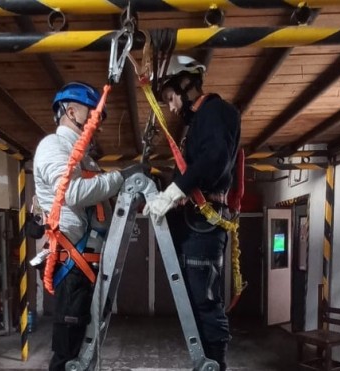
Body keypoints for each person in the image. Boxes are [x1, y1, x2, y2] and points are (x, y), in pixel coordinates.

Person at [33, 81, 145, 371]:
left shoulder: (85, 158)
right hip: (73, 265)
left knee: (85, 350)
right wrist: (121, 178)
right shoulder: (53, 147)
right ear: (70, 111)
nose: (98, 123)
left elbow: (99, 198)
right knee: (69, 353)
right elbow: (73, 193)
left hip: (87, 265)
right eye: (93, 114)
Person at [143, 55, 241, 371]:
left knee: (204, 301)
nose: (171, 107)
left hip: (205, 221)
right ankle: (204, 363)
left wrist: (175, 192)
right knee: (194, 300)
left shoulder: (216, 112)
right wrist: (164, 193)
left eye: (171, 98)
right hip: (194, 221)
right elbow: (195, 168)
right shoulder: (199, 122)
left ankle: (215, 365)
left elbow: (213, 160)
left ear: (186, 84)